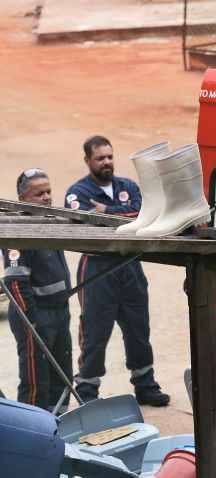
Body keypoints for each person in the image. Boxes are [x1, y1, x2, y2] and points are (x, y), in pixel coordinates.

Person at [65, 135, 170, 407]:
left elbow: (144, 215)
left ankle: (145, 386)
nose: (107, 162)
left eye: (110, 157)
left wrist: (109, 211)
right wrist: (124, 214)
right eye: (100, 158)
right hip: (97, 268)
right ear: (88, 160)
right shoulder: (77, 193)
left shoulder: (129, 186)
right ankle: (87, 392)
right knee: (94, 332)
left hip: (129, 265)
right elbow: (92, 223)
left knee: (138, 328)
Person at [3, 168, 72, 413]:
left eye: (49, 191)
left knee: (62, 376)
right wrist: (30, 322)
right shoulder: (17, 229)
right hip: (34, 317)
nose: (46, 197)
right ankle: (34, 430)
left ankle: (58, 426)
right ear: (23, 199)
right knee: (36, 382)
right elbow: (15, 284)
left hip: (59, 313)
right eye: (39, 194)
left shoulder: (49, 221)